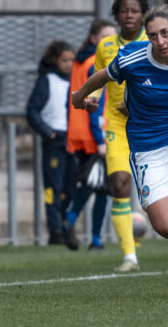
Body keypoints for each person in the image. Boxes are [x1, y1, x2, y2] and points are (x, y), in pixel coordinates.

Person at [73, 4, 168, 298]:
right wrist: (79, 97)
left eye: (165, 33)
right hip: (147, 143)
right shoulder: (132, 59)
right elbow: (102, 75)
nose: (160, 42)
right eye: (153, 36)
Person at [92, 0, 150, 272]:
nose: (129, 15)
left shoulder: (154, 44)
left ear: (143, 16)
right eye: (124, 10)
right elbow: (99, 80)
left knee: (156, 192)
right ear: (116, 15)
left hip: (150, 124)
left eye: (135, 11)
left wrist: (139, 102)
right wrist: (91, 99)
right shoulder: (105, 47)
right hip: (116, 126)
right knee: (119, 184)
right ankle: (130, 256)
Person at [63, 19, 117, 251]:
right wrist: (100, 139)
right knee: (103, 187)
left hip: (77, 130)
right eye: (106, 37)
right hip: (94, 132)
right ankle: (94, 238)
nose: (111, 42)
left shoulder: (79, 60)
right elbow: (96, 102)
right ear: (94, 38)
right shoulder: (95, 63)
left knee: (90, 182)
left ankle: (71, 219)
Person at [26, 41, 76, 246]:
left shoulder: (75, 80)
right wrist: (48, 132)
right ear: (55, 60)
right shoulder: (47, 81)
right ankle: (55, 231)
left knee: (70, 188)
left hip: (72, 140)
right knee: (52, 189)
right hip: (55, 140)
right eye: (64, 60)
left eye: (71, 60)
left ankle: (66, 227)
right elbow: (32, 110)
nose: (69, 64)